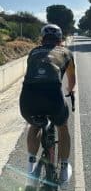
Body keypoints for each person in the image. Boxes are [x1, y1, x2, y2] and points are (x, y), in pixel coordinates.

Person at [19, 24, 76, 191]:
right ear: (60, 40)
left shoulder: (33, 52)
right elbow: (71, 80)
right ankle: (64, 170)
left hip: (28, 98)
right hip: (53, 98)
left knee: (35, 125)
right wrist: (70, 90)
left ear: (41, 39)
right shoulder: (66, 52)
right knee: (63, 127)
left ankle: (30, 173)